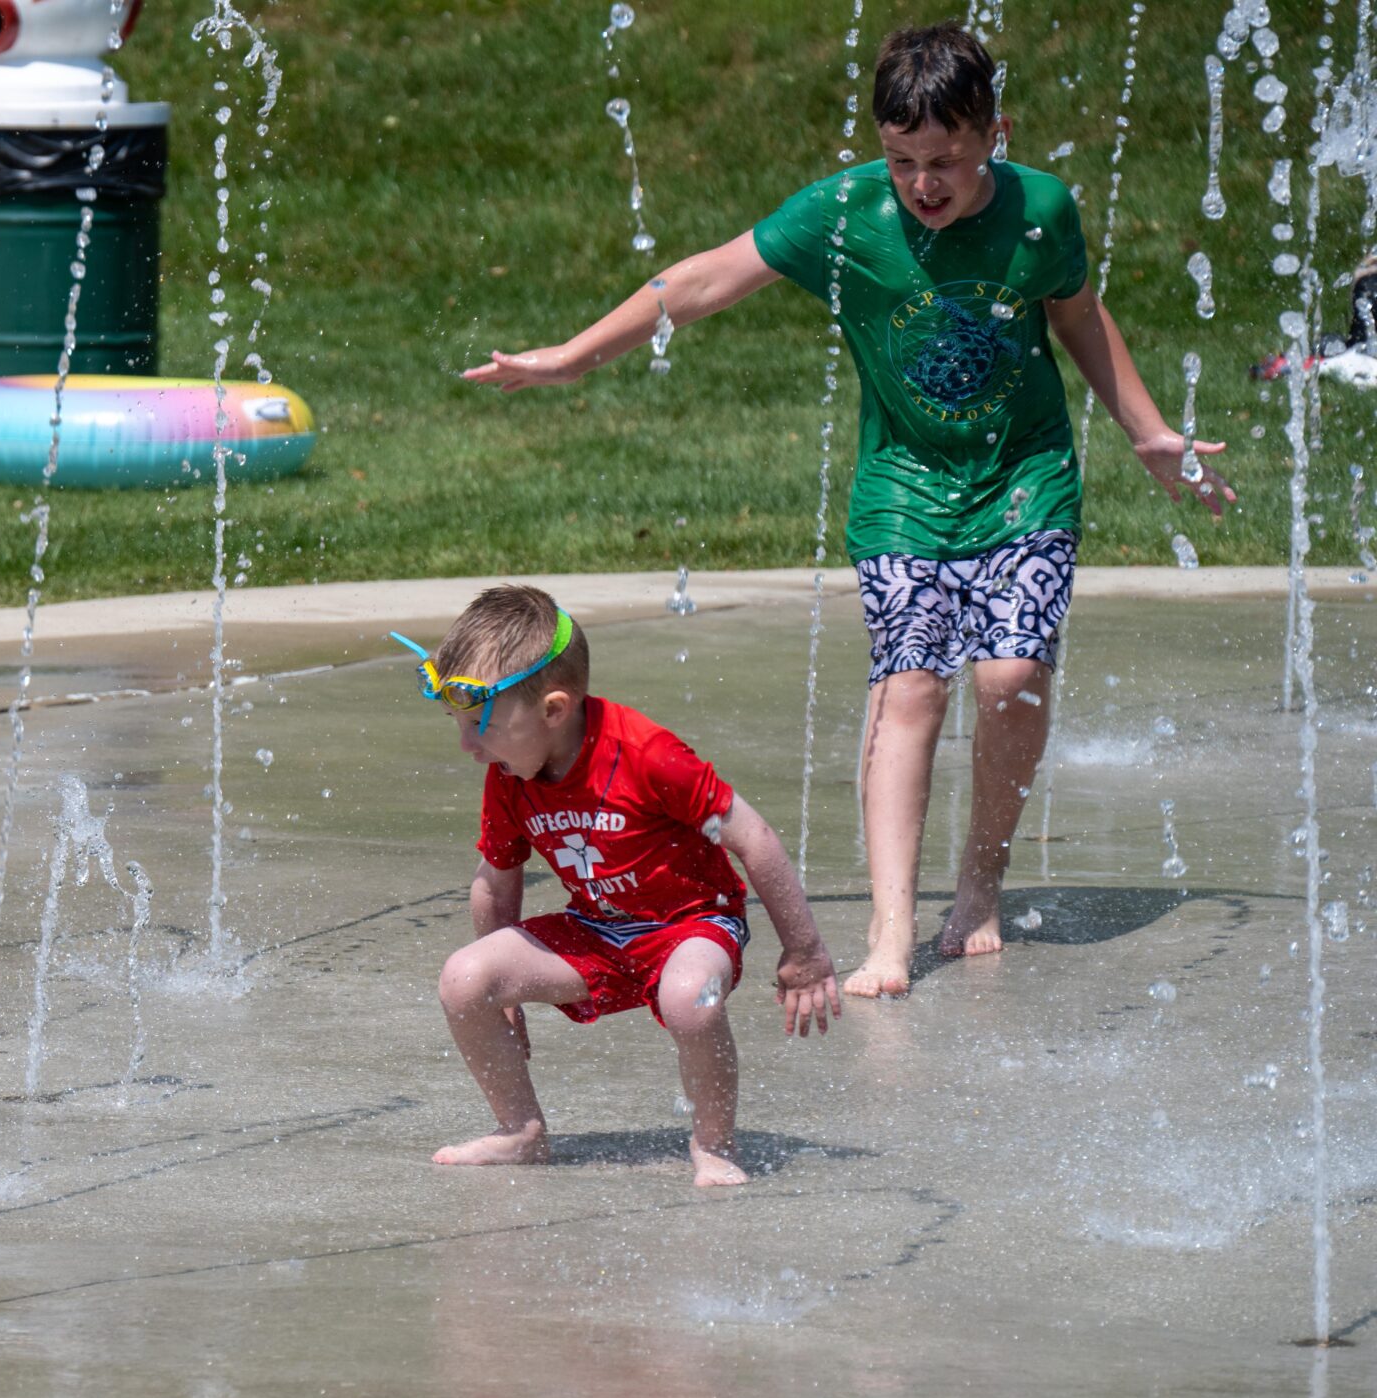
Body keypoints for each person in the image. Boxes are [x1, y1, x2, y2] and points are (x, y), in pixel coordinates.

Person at [463, 22, 1234, 998]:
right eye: (903, 159)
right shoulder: (842, 215)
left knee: (1009, 679)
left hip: (1025, 479)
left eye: (946, 160)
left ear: (994, 132)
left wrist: (1146, 431)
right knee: (909, 690)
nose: (924, 183)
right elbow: (703, 277)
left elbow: (1074, 313)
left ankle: (980, 886)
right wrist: (572, 355)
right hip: (901, 495)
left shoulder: (1041, 210)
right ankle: (889, 927)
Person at [404, 585, 839, 1187]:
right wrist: (503, 996)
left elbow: (753, 838)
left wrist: (806, 952)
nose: (468, 748)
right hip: (598, 928)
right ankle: (520, 1131)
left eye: (482, 727)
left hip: (693, 924)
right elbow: (495, 883)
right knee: (464, 978)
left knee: (689, 998)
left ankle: (714, 1143)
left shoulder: (647, 757)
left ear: (554, 710)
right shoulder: (512, 773)